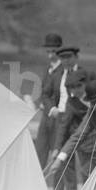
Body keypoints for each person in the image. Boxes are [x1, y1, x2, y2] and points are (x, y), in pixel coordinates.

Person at [51, 77, 96, 186]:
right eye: (92, 102)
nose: (95, 105)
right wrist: (60, 159)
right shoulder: (93, 113)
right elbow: (77, 136)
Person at [35, 33, 65, 165]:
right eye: (48, 51)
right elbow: (43, 92)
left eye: (53, 51)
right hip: (46, 116)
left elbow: (61, 93)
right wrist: (46, 106)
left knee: (56, 153)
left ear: (59, 50)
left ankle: (57, 186)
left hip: (58, 118)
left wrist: (55, 108)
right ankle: (36, 183)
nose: (50, 55)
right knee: (40, 151)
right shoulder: (47, 68)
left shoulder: (64, 70)